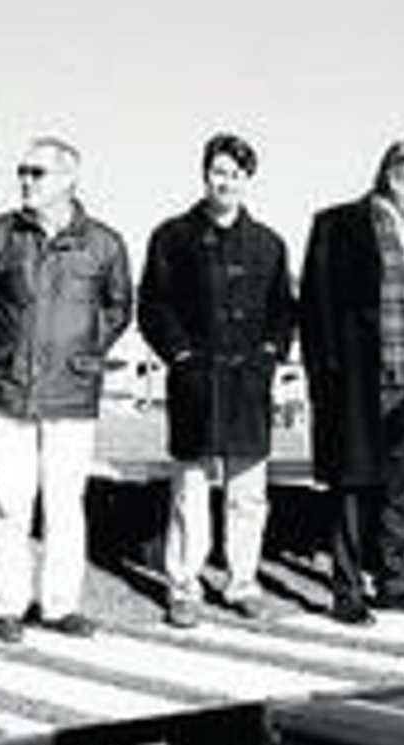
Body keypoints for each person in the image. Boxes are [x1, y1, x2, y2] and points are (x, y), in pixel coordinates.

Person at [0, 135, 132, 643]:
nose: (25, 180)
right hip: (9, 388)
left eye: (36, 172)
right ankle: (5, 607)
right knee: (7, 499)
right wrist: (4, 349)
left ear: (68, 180)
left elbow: (118, 307)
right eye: (22, 170)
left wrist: (85, 352)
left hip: (72, 392)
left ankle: (60, 607)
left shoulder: (104, 244)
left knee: (65, 502)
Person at [138, 133, 296, 629]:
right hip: (196, 383)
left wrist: (271, 355)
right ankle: (183, 586)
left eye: (235, 174)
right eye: (217, 172)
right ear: (205, 174)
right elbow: (154, 305)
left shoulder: (270, 244)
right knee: (190, 489)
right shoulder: (173, 236)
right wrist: (181, 356)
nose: (225, 182)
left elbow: (283, 312)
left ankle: (242, 583)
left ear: (249, 180)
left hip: (250, 386)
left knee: (249, 494)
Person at [301, 139, 404, 626]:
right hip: (360, 378)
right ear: (394, 175)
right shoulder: (338, 224)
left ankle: (394, 582)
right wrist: (326, 376)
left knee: (401, 487)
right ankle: (347, 590)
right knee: (352, 485)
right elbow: (316, 309)